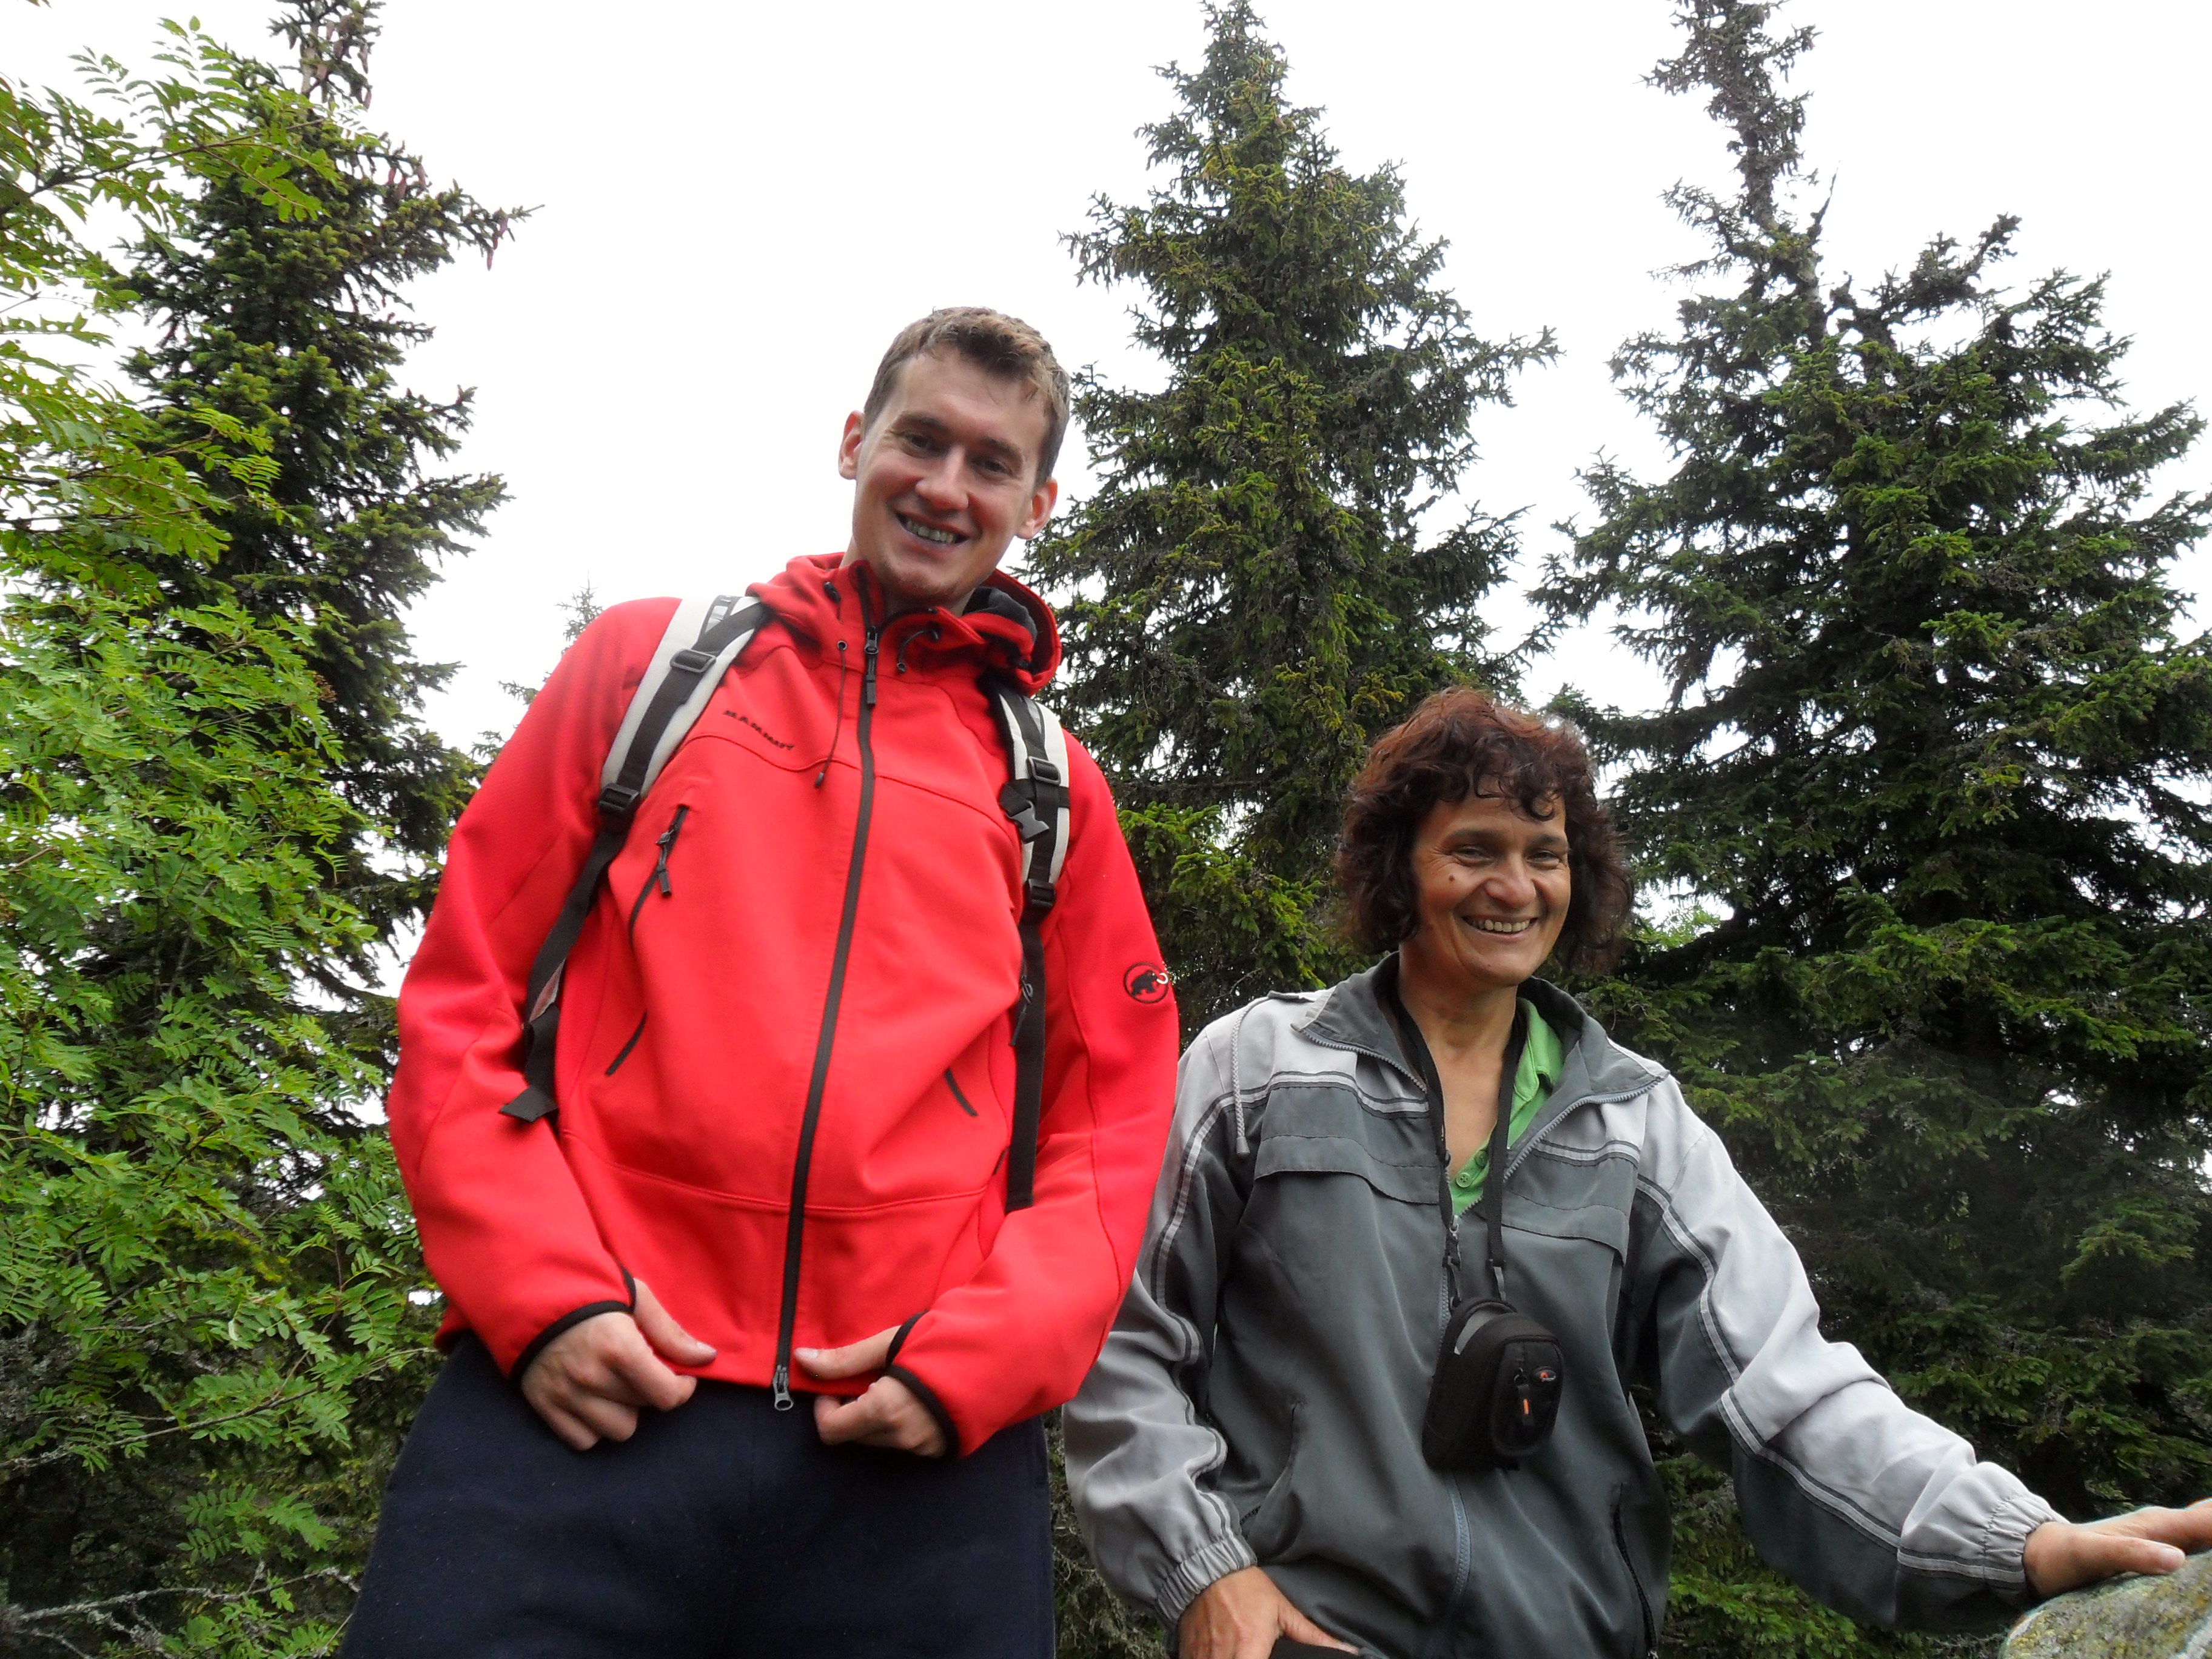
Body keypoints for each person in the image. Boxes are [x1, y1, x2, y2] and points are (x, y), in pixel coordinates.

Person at [345, 307, 1181, 1658]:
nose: (945, 486)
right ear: (854, 442)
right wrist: (542, 1291)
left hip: (911, 1460)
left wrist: (978, 1358)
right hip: (580, 1401)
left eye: (991, 462)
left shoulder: (1054, 792)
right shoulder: (648, 672)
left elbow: (1112, 1119)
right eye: (919, 439)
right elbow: (464, 997)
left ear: (1037, 503)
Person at [1065, 688, 2212, 1658]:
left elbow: (1783, 1391)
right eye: (1474, 850)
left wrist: (2014, 1540)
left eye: (1545, 855)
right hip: (1312, 1641)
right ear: (1399, 867)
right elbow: (1123, 1340)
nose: (1516, 887)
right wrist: (1204, 1570)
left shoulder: (1633, 1121)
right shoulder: (1258, 1070)